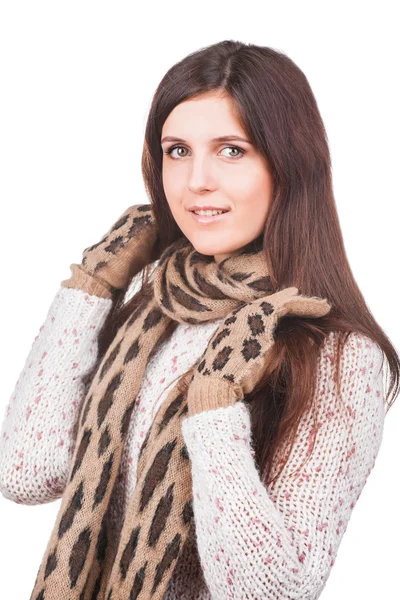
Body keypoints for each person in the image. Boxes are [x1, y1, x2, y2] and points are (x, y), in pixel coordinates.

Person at [0, 39, 399, 600]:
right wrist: (90, 287)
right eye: (178, 151)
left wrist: (214, 404)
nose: (195, 182)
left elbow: (270, 591)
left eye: (231, 151)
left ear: (288, 166)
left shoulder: (338, 358)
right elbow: (27, 473)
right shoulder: (152, 305)